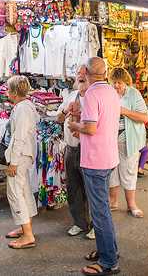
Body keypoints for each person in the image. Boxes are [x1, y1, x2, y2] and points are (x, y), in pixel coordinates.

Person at [68, 57, 121, 276]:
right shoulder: (111, 91)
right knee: (103, 210)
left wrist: (74, 124)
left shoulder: (90, 94)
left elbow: (90, 128)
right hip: (108, 157)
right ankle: (107, 251)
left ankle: (108, 261)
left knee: (99, 212)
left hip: (95, 159)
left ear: (87, 73)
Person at [57, 66, 95, 239]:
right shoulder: (71, 96)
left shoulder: (94, 98)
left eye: (83, 74)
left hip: (88, 150)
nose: (80, 76)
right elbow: (59, 118)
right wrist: (66, 111)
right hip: (70, 148)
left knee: (92, 190)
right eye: (78, 74)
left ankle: (96, 226)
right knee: (73, 189)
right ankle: (79, 223)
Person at [4, 75, 40, 249]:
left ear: (13, 92)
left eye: (8, 89)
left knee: (15, 192)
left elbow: (19, 137)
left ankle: (27, 234)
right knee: (24, 190)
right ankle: (25, 227)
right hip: (25, 154)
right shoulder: (26, 106)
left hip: (21, 155)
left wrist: (13, 162)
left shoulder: (22, 109)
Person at [109, 68, 148, 219]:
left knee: (129, 171)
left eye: (119, 83)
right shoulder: (109, 94)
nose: (116, 86)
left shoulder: (134, 94)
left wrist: (124, 111)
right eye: (114, 83)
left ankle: (131, 204)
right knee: (111, 171)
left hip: (130, 138)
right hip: (111, 139)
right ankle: (113, 202)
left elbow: (145, 118)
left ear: (126, 82)